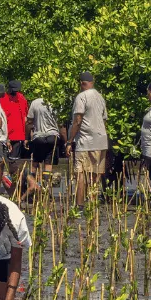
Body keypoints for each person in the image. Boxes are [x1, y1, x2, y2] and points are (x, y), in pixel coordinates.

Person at [67, 72, 109, 204]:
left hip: (85, 142)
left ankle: (80, 205)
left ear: (81, 83)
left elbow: (77, 121)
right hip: (101, 141)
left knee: (81, 174)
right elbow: (104, 120)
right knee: (96, 175)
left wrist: (69, 141)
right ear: (93, 82)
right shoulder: (100, 97)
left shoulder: (81, 97)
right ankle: (93, 204)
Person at [20, 93, 61, 199]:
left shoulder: (35, 102)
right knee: (48, 165)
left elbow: (29, 122)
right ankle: (46, 191)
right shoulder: (56, 102)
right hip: (53, 137)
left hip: (39, 137)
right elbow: (60, 123)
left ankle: (33, 188)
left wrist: (26, 138)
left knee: (34, 164)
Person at [0, 80, 29, 164]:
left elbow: (26, 118)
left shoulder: (22, 98)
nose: (15, 92)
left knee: (14, 161)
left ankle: (13, 176)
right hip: (4, 135)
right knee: (2, 161)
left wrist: (26, 137)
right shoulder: (2, 99)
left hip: (18, 135)